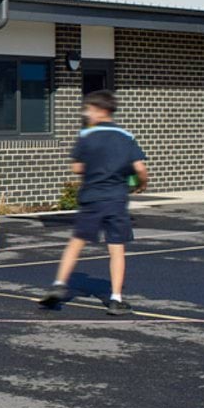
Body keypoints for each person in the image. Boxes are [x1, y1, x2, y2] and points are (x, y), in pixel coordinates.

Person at [38, 90, 149, 315]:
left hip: (92, 198)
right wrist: (141, 183)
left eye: (89, 109)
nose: (86, 113)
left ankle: (60, 284)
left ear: (102, 111)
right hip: (117, 199)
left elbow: (77, 167)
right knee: (117, 249)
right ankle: (116, 299)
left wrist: (92, 169)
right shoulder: (126, 136)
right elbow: (140, 169)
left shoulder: (87, 136)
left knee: (76, 243)